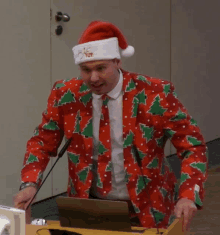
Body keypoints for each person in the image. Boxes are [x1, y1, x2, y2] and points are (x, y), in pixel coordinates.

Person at [13, 20, 208, 231]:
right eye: (85, 70)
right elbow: (41, 142)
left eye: (101, 68)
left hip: (148, 207)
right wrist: (29, 184)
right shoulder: (67, 94)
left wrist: (189, 195)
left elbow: (192, 146)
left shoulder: (156, 93)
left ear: (117, 62)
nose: (93, 78)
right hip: (88, 207)